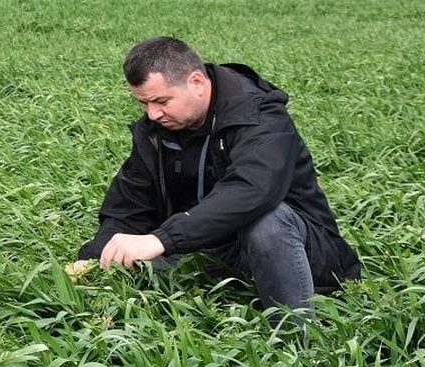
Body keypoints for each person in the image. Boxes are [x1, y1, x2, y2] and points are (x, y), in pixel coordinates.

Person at [66, 36, 361, 326]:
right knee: (132, 262)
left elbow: (250, 190)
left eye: (161, 101)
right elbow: (129, 204)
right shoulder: (159, 129)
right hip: (212, 247)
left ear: (196, 82)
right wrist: (95, 257)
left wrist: (161, 239)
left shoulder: (260, 116)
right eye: (143, 103)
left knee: (267, 221)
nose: (152, 113)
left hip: (301, 252)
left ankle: (294, 341)